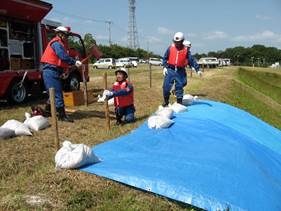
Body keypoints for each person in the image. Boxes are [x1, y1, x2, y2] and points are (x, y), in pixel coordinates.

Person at [40, 26, 82, 122]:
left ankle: (47, 112)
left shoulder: (60, 44)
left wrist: (64, 71)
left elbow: (60, 61)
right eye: (66, 35)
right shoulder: (56, 44)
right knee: (58, 94)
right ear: (60, 34)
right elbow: (63, 57)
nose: (67, 37)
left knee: (53, 93)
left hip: (53, 71)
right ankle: (62, 116)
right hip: (51, 71)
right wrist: (74, 62)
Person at [162, 32, 202, 106]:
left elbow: (191, 60)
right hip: (170, 70)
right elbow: (165, 58)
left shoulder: (186, 50)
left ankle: (179, 103)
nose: (177, 43)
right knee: (166, 87)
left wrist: (197, 69)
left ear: (182, 41)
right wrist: (165, 67)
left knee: (180, 87)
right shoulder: (170, 48)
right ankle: (166, 102)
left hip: (180, 71)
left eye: (178, 42)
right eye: (175, 42)